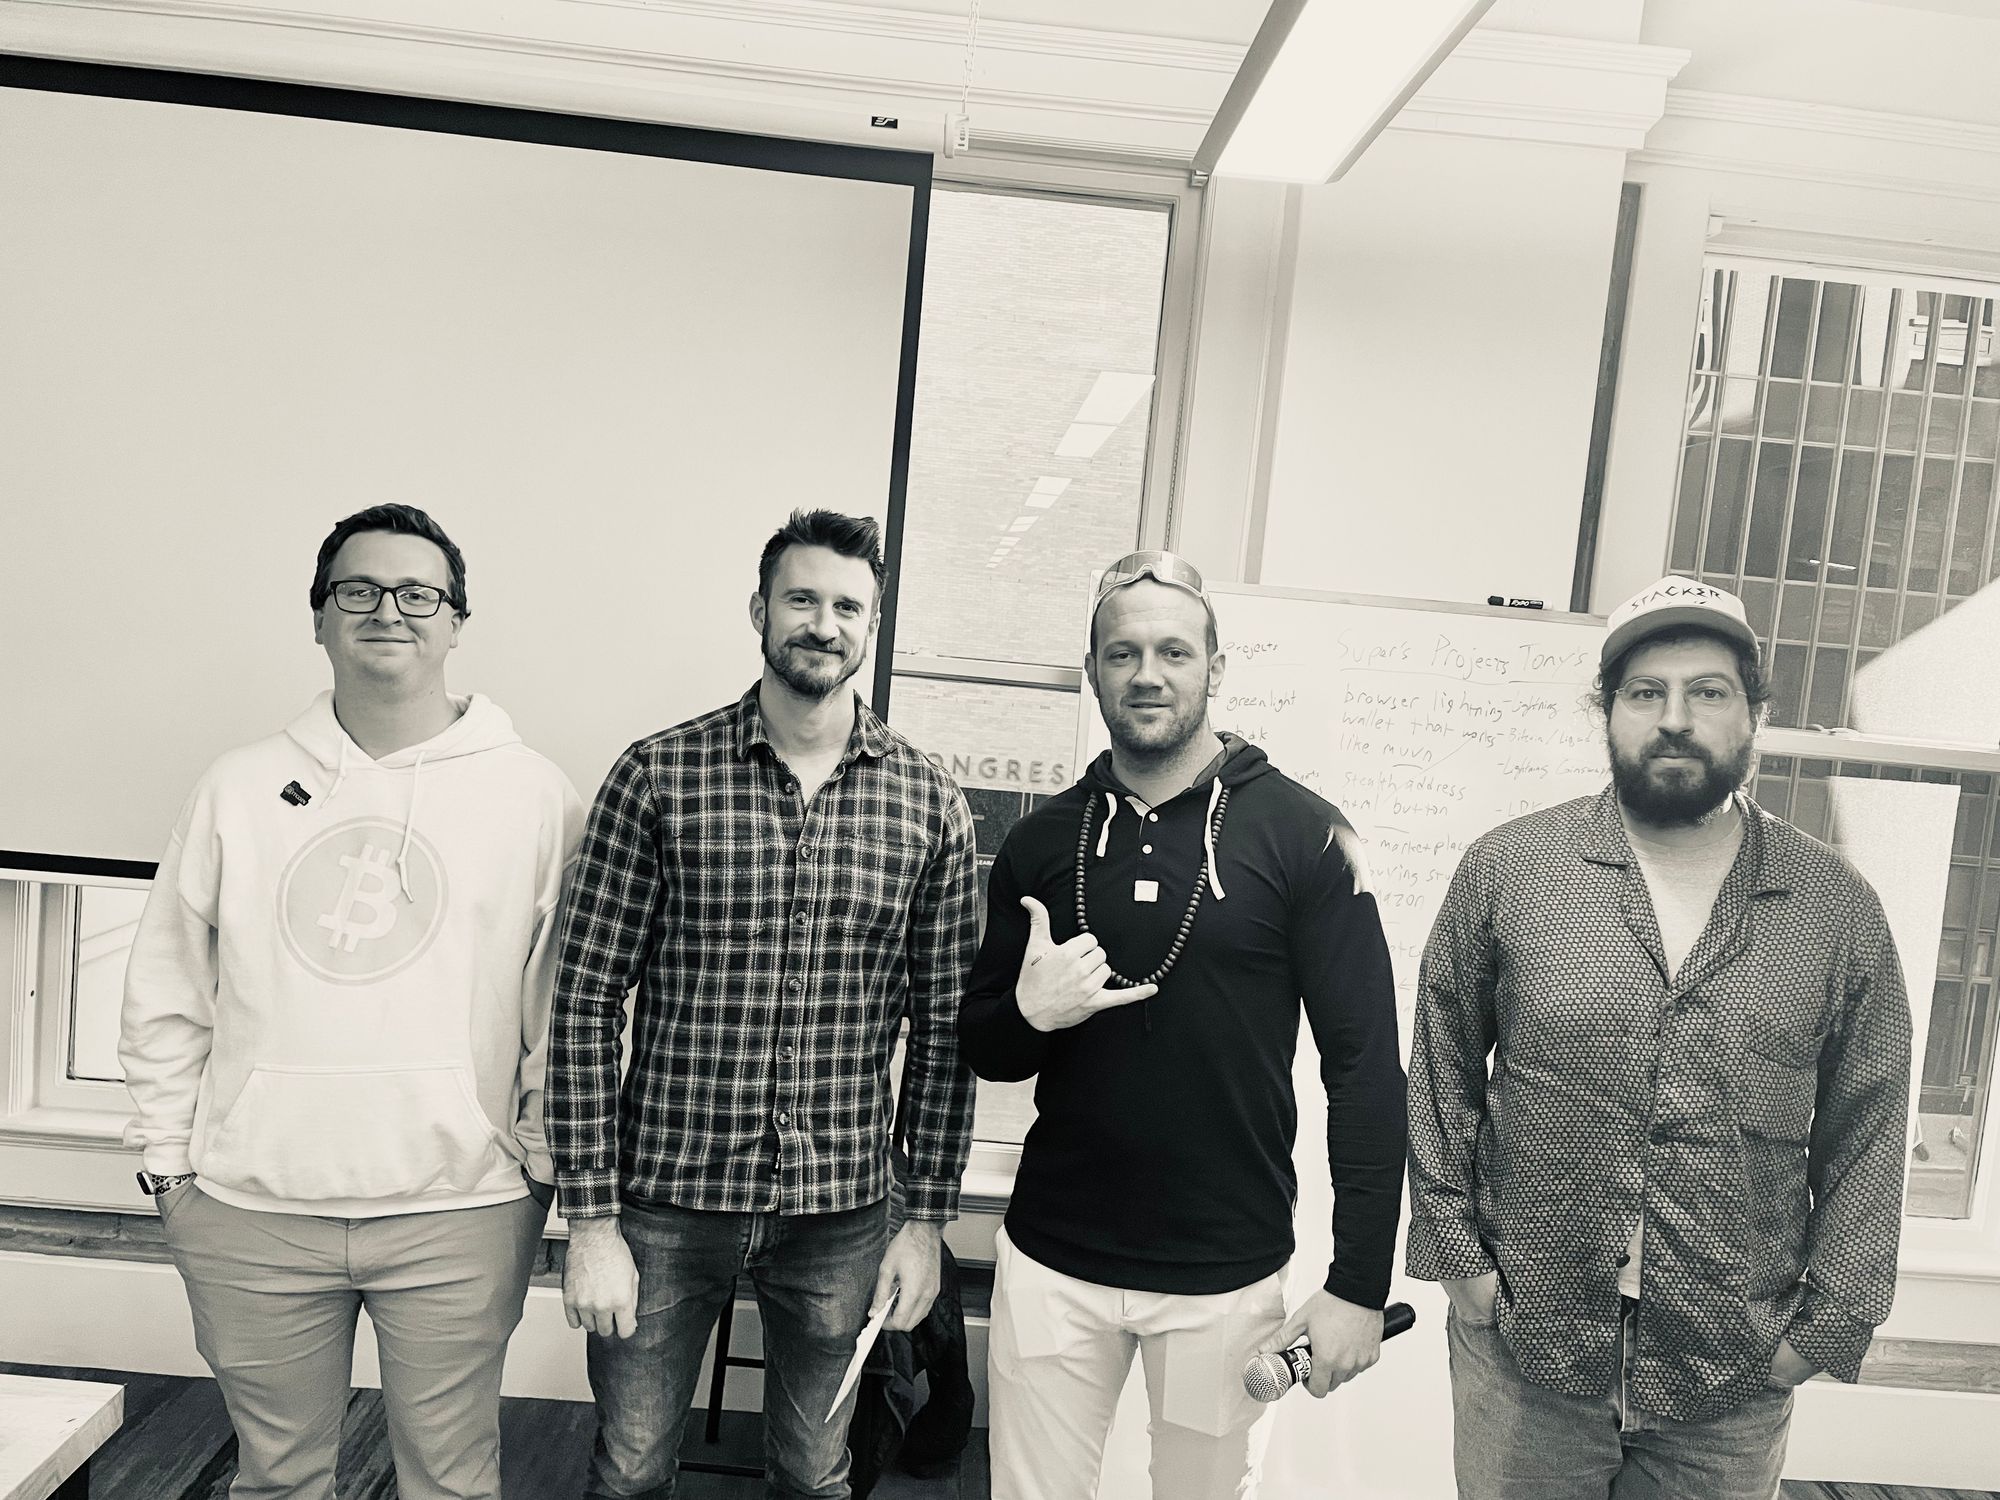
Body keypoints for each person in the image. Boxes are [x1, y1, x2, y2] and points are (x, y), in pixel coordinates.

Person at [1406, 575, 1913, 1500]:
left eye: (1707, 692)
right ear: (1607, 711)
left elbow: (1869, 1124)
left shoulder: (1833, 906)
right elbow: (1441, 1067)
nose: (1674, 719)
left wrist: (1826, 1325)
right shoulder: (1512, 869)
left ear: (1755, 713)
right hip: (1528, 1347)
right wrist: (1459, 1264)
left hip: (1731, 1365)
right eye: (1646, 693)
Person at [120, 503, 583, 1500]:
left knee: (450, 1482)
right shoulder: (239, 785)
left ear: (456, 622)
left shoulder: (536, 796)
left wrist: (539, 1168)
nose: (388, 611)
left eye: (418, 594)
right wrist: (168, 1166)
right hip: (249, 1209)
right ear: (319, 618)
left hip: (461, 1209)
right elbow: (167, 983)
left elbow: (562, 1008)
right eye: (358, 590)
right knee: (276, 1480)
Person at [548, 508, 979, 1500]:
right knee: (629, 1467)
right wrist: (592, 1222)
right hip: (664, 1198)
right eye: (801, 599)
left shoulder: (927, 801)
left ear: (872, 627)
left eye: (847, 607)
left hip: (842, 1209)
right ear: (759, 610)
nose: (822, 624)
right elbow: (582, 1002)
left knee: (815, 1474)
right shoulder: (658, 776)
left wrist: (924, 1221)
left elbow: (945, 1029)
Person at [960, 550, 1407, 1500]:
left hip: (1225, 1273)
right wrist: (1032, 1013)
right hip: (1051, 1261)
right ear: (1092, 671)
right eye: (1122, 654)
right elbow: (986, 1050)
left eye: (1173, 652)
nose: (1147, 674)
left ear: (1215, 667)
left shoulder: (1311, 837)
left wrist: (1361, 1282)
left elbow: (1366, 1067)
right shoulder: (1042, 842)